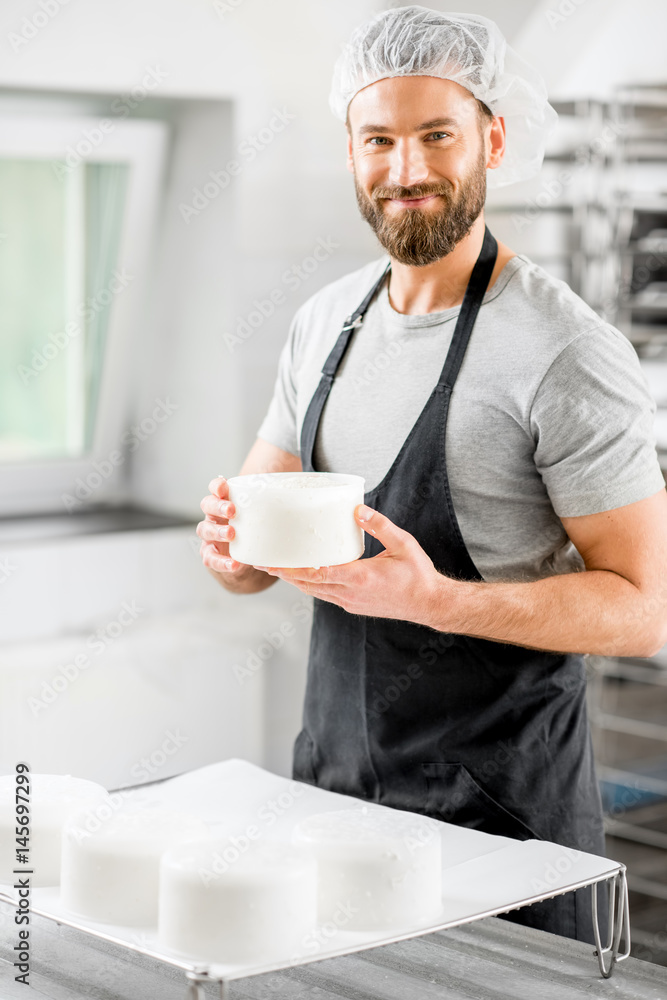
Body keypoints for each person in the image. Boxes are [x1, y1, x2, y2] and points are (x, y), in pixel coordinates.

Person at [198, 7, 667, 944]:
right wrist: (225, 545)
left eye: (434, 135)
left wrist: (437, 600)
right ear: (349, 149)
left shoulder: (565, 350)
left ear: (491, 138)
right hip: (336, 804)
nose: (404, 170)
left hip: (503, 831)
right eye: (378, 138)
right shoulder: (324, 323)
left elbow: (641, 606)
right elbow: (248, 555)